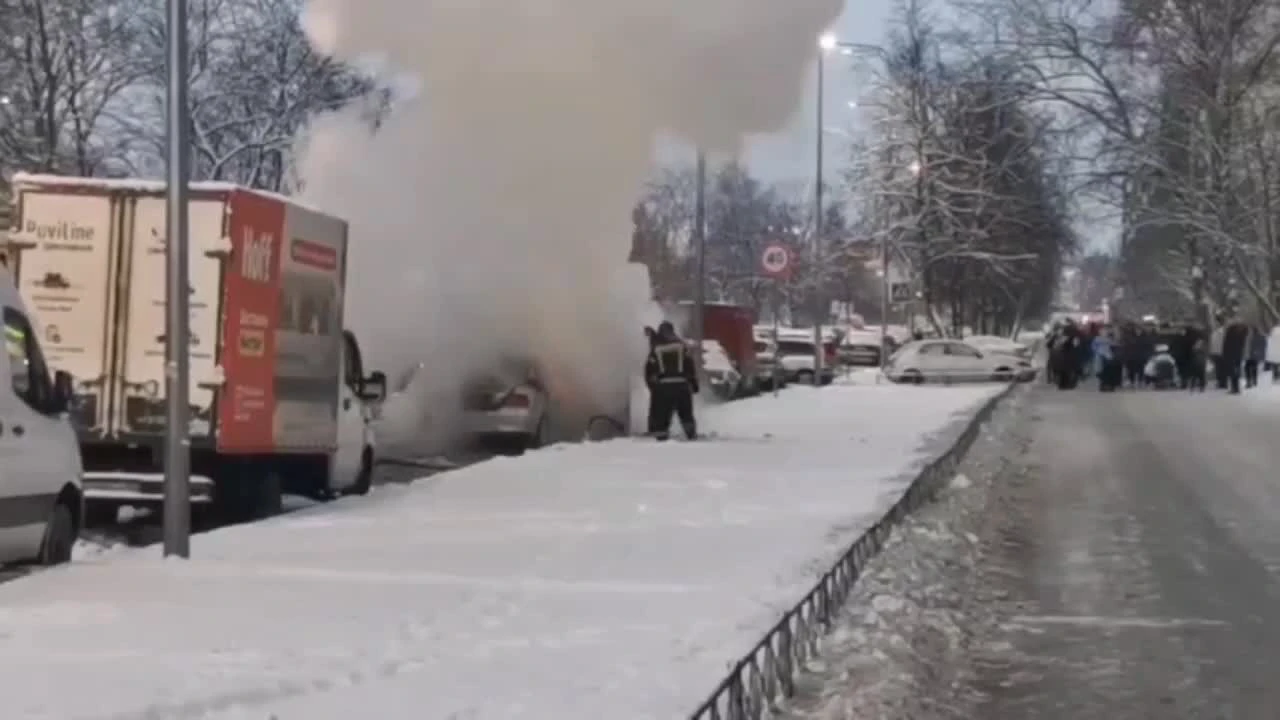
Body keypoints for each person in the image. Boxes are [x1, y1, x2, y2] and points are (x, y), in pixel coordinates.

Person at [644, 321, 698, 440]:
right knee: (686, 415)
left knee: (661, 417)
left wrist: (652, 387)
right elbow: (689, 366)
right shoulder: (681, 346)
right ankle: (691, 435)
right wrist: (694, 384)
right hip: (682, 387)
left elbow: (649, 370)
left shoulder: (657, 348)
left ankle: (660, 438)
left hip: (663, 389)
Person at [1221, 316, 1249, 395]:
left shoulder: (1231, 330)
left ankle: (1235, 388)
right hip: (1238, 353)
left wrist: (1224, 353)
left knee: (1233, 370)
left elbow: (1226, 343)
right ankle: (1236, 388)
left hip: (1231, 353)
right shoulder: (1243, 330)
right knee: (1236, 370)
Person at [1210, 321, 1227, 389]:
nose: (1215, 325)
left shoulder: (1222, 332)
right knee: (1218, 368)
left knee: (1222, 368)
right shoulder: (1214, 332)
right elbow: (1213, 342)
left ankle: (1223, 382)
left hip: (1221, 352)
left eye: (1216, 324)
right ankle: (1220, 382)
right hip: (1215, 352)